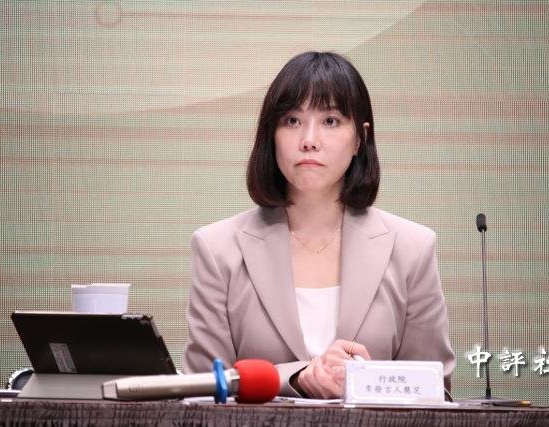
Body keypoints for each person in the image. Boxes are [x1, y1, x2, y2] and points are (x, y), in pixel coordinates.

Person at [183, 51, 455, 398]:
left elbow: (434, 391)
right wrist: (297, 377)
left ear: (359, 139)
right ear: (272, 134)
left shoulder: (412, 248)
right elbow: (202, 391)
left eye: (330, 121)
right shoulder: (217, 248)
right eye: (292, 120)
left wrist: (355, 380)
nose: (309, 139)